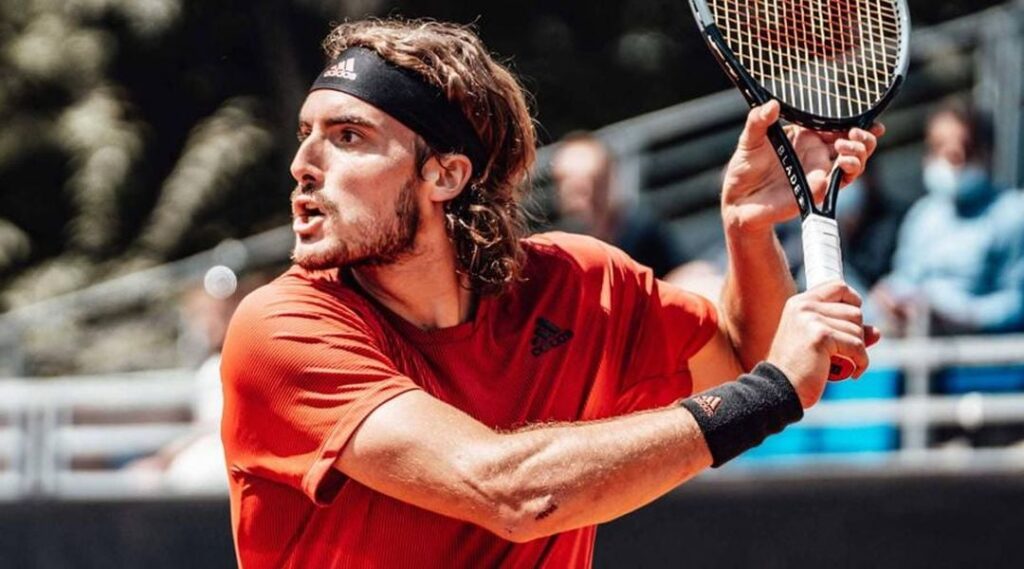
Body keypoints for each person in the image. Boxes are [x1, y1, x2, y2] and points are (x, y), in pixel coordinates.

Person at [219, 18, 882, 568]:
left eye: (347, 137)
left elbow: (740, 359)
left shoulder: (581, 282)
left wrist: (747, 227)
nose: (302, 165)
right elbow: (512, 493)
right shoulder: (281, 327)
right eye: (306, 136)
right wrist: (773, 390)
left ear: (446, 175)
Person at [870, 99, 1024, 336]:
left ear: (987, 153)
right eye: (938, 148)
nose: (952, 160)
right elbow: (905, 278)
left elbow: (1017, 303)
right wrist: (889, 297)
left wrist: (964, 317)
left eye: (964, 150)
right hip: (920, 350)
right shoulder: (922, 216)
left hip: (985, 355)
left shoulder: (1013, 213)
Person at [550, 132, 686, 278]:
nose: (581, 197)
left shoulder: (641, 230)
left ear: (609, 179)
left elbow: (684, 273)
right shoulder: (559, 249)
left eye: (594, 182)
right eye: (567, 183)